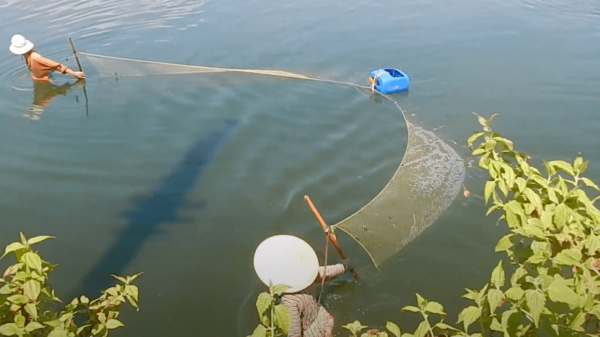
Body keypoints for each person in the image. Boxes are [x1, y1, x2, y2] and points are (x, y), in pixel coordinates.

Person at [253, 234, 353, 337]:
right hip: (324, 319)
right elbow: (326, 272)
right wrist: (344, 266)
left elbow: (294, 333)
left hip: (312, 333)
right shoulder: (308, 275)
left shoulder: (289, 302)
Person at [9, 34, 85, 82]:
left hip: (46, 80)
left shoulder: (35, 57)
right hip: (39, 80)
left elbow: (55, 65)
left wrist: (73, 73)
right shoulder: (26, 55)